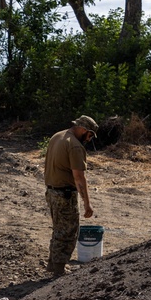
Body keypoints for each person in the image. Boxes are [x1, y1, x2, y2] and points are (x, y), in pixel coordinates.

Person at [43, 115, 98, 277]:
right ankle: (59, 270)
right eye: (90, 135)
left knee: (58, 229)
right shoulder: (74, 146)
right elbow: (79, 178)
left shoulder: (57, 136)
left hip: (51, 191)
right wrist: (87, 203)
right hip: (65, 194)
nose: (89, 139)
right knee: (68, 231)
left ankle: (53, 264)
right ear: (83, 129)